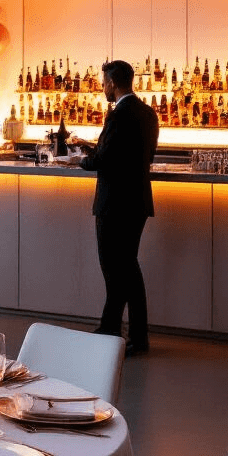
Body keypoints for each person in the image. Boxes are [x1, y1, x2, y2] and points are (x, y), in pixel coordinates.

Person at [72, 59, 159, 355]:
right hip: (137, 202)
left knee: (114, 269)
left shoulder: (118, 115)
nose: (103, 88)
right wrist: (94, 150)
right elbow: (144, 155)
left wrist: (80, 160)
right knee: (129, 269)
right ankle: (131, 333)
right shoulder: (148, 113)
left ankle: (112, 330)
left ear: (112, 83)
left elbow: (104, 160)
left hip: (114, 203)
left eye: (104, 83)